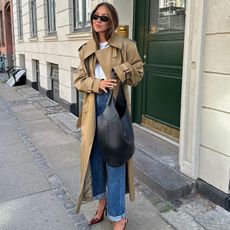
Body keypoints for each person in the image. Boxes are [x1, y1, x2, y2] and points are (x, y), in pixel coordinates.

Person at [74, 2, 143, 230]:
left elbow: (138, 72)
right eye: (95, 16)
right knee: (96, 162)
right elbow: (78, 80)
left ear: (112, 20)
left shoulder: (125, 45)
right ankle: (102, 204)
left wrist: (121, 71)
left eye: (103, 17)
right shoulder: (86, 48)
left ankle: (118, 215)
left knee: (115, 162)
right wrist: (97, 83)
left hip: (114, 107)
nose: (98, 20)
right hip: (92, 108)